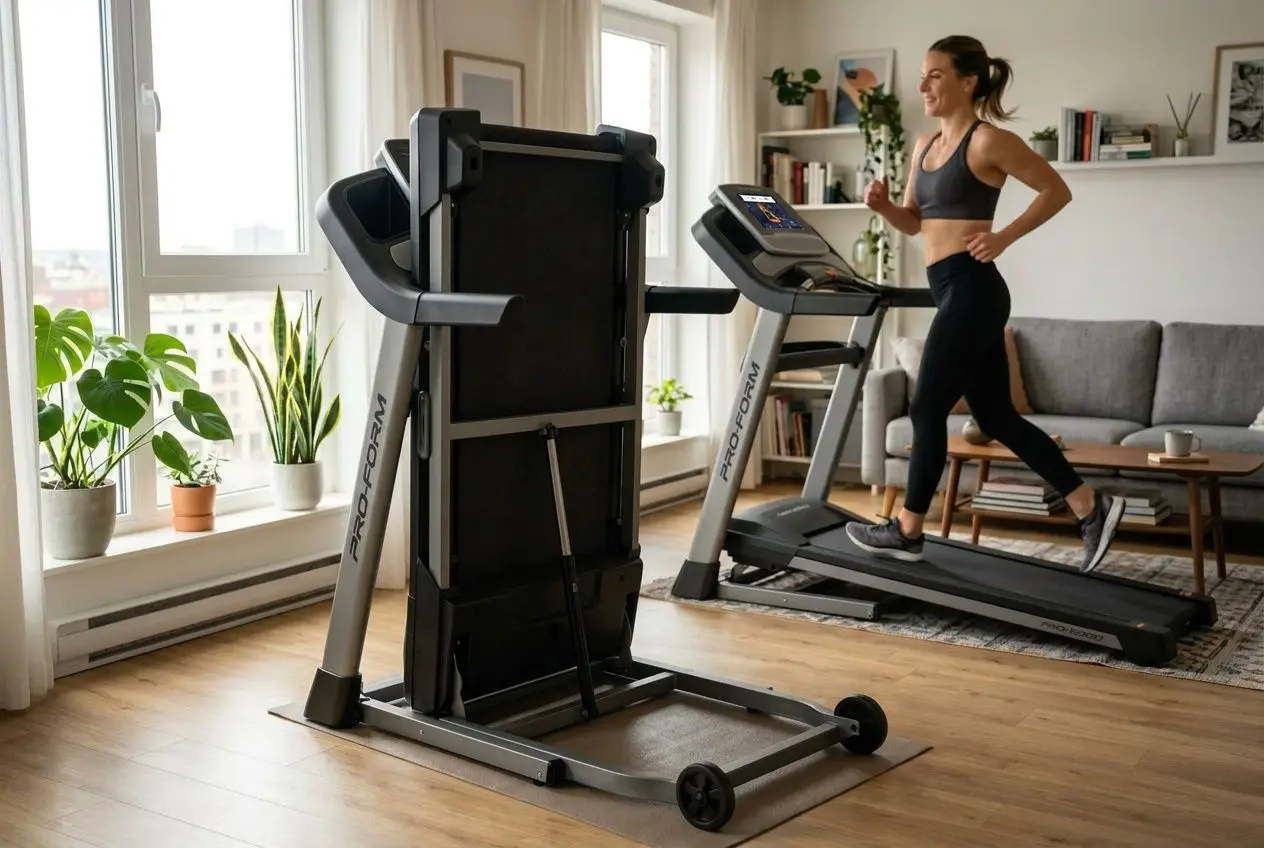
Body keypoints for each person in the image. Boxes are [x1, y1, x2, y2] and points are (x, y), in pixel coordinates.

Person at [843, 35, 1124, 571]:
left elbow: (1055, 189)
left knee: (927, 407)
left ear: (967, 81)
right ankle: (1091, 505)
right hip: (948, 288)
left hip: (974, 288)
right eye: (923, 75)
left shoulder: (987, 141)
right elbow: (916, 222)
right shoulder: (923, 147)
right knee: (994, 415)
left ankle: (908, 530)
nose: (923, 84)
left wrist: (1004, 237)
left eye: (935, 75)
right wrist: (883, 209)